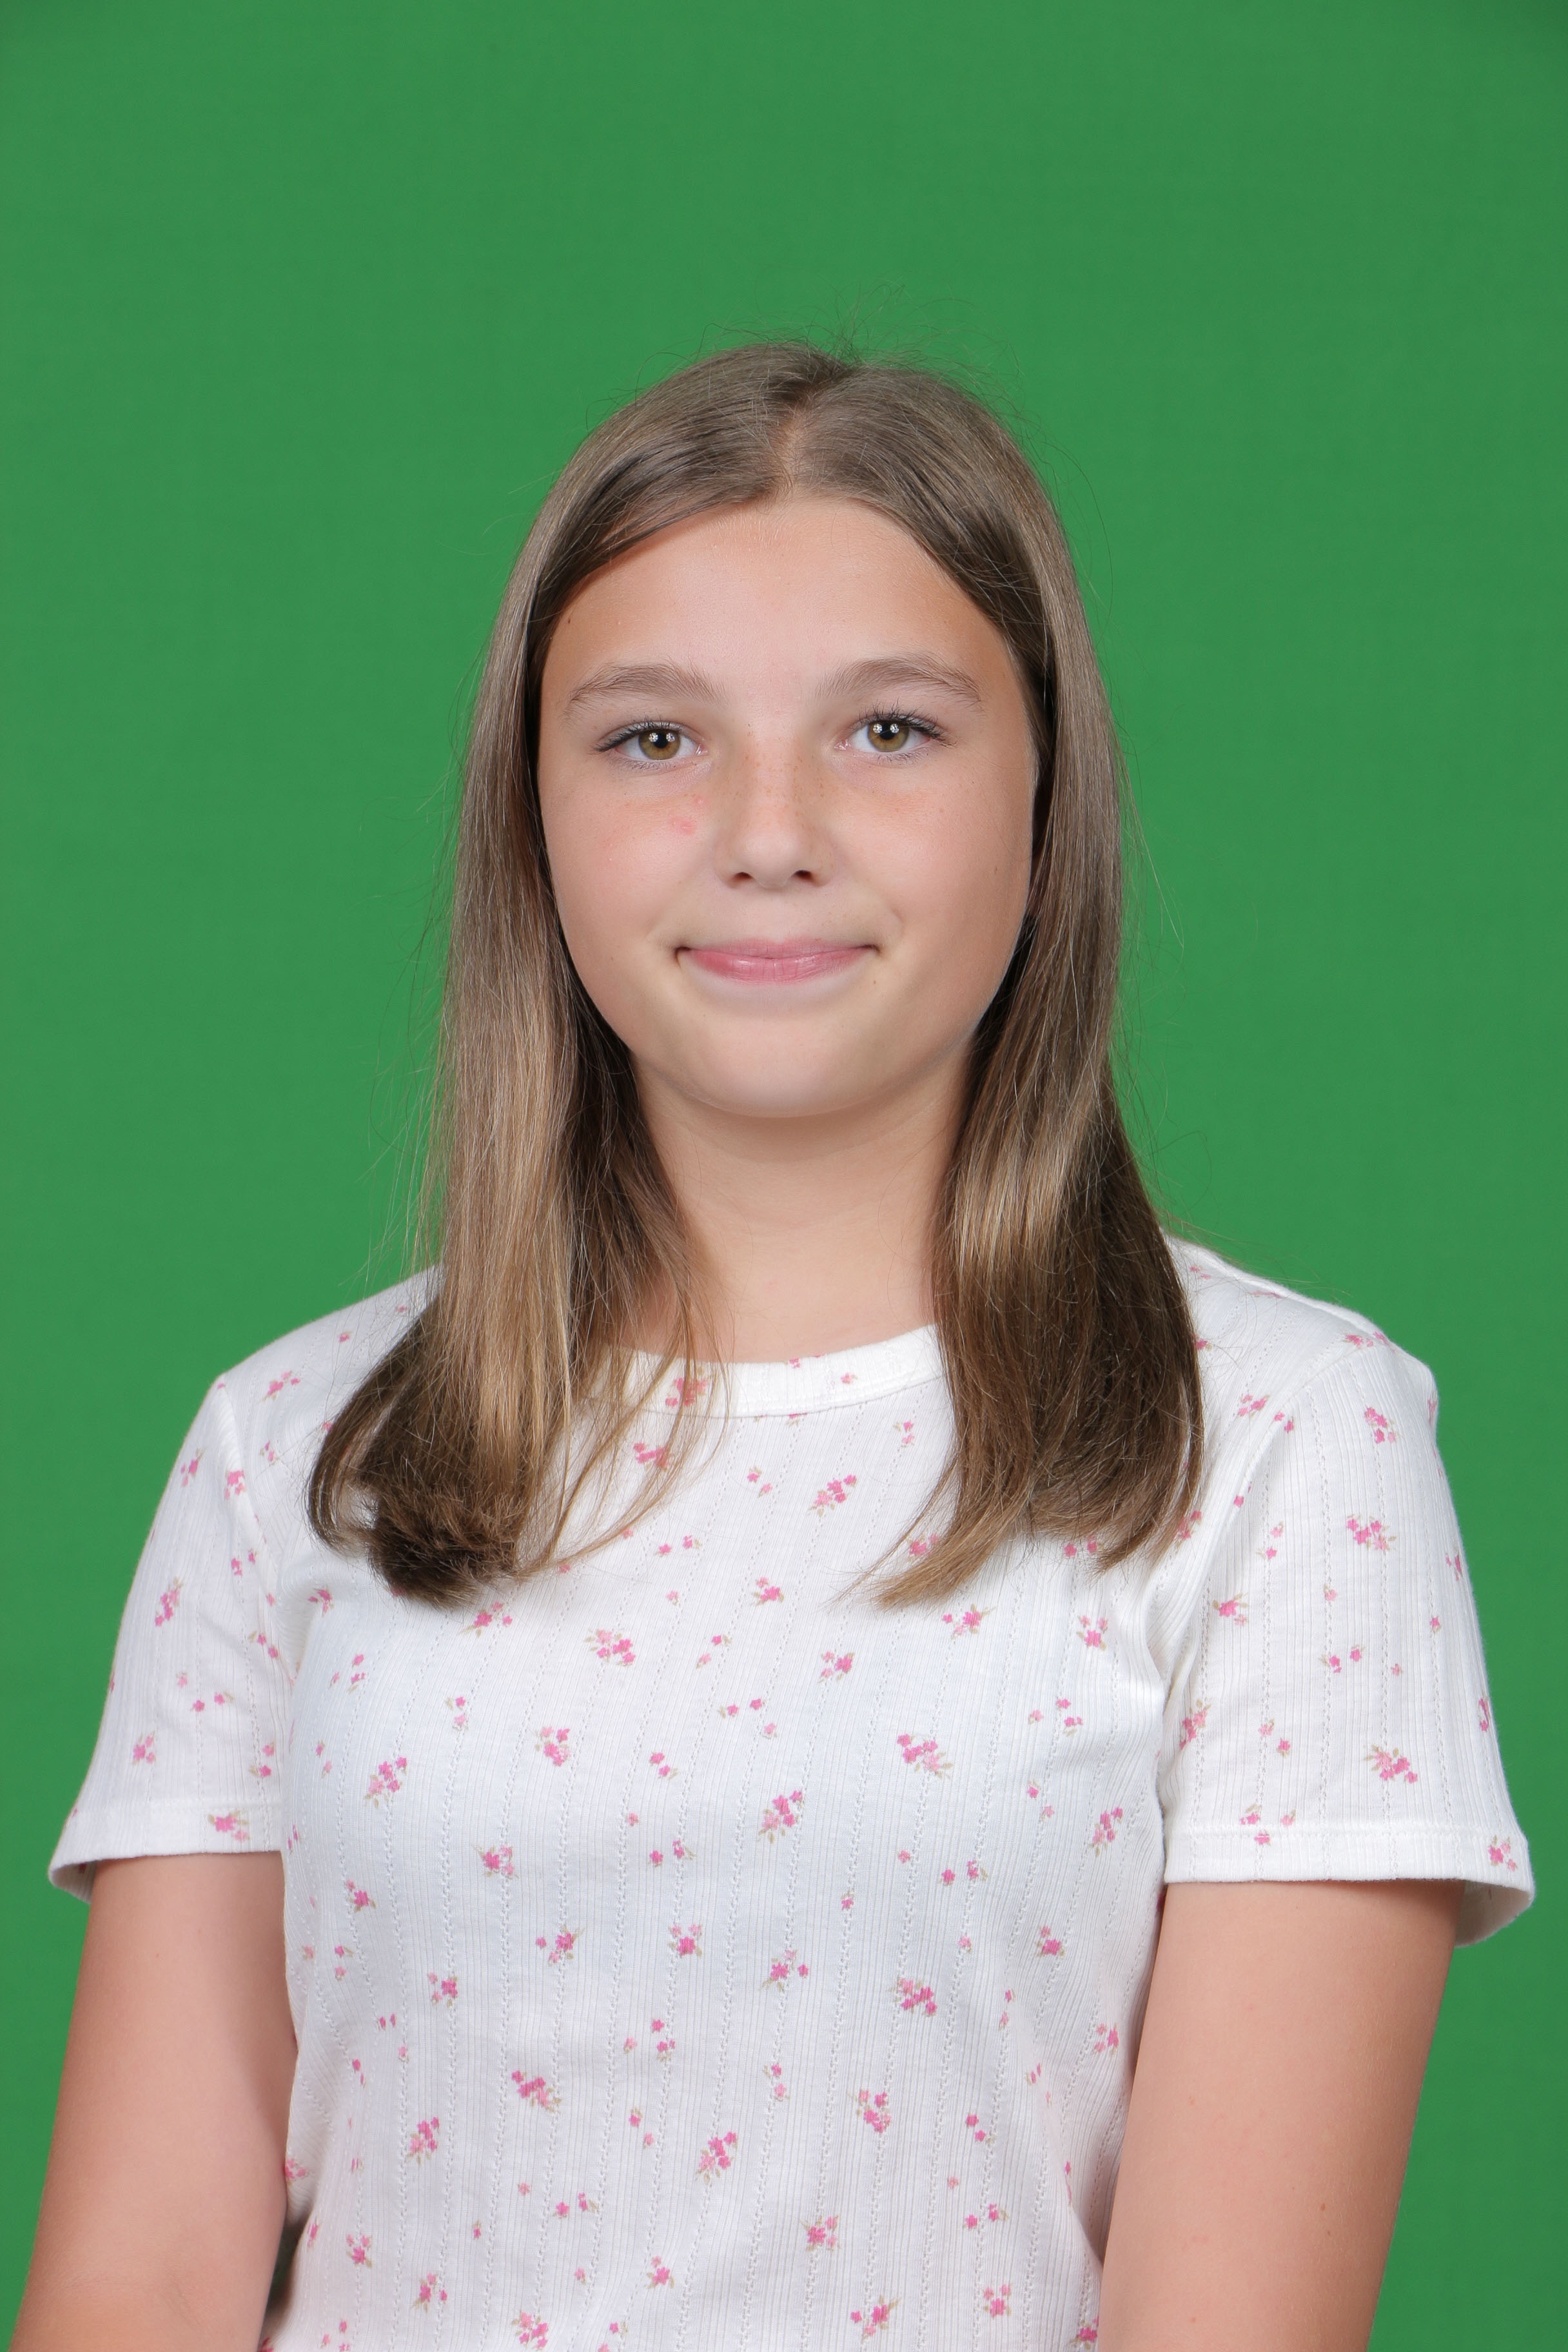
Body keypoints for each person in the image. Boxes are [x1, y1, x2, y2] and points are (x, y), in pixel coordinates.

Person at [14, 342, 1530, 2352]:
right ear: (533, 814)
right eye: (654, 739)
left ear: (1046, 797)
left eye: (889, 730)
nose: (768, 831)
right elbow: (138, 2282)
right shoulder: (293, 1444)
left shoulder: (1278, 1441)